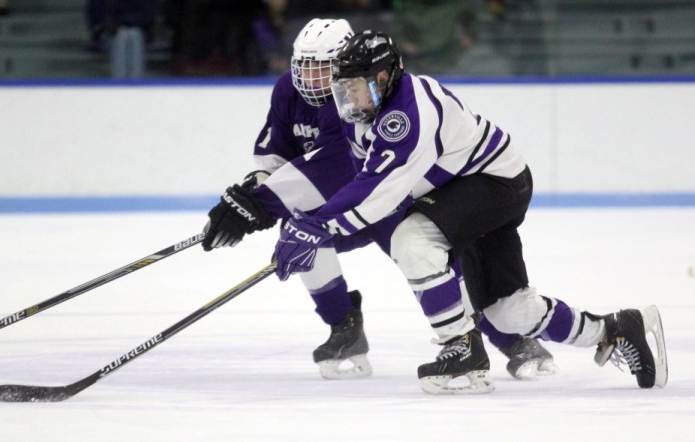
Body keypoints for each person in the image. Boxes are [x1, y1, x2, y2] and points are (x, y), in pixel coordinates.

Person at [272, 30, 668, 394]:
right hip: (456, 197)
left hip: (493, 183)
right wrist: (326, 231)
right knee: (510, 312)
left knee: (413, 240)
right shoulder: (360, 118)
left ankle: (461, 349)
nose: (348, 100)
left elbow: (376, 191)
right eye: (343, 90)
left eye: (354, 88)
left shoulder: (408, 113)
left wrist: (316, 228)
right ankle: (615, 329)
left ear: (381, 79)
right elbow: (372, 195)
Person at [202, 19, 556, 382]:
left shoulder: (361, 100)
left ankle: (510, 340)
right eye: (304, 65)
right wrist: (248, 196)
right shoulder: (287, 92)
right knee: (301, 238)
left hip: (385, 199)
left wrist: (262, 202)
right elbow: (277, 155)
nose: (310, 78)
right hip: (345, 204)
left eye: (321, 66)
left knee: (430, 264)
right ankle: (345, 327)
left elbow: (335, 168)